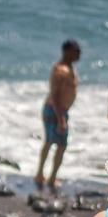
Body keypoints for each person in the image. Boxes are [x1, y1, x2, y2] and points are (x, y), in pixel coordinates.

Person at [34, 39, 80, 191]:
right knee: (58, 144)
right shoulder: (60, 70)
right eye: (75, 50)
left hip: (59, 110)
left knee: (54, 143)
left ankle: (46, 175)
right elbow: (55, 96)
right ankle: (45, 176)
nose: (78, 53)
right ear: (66, 51)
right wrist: (61, 119)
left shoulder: (69, 68)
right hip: (55, 110)